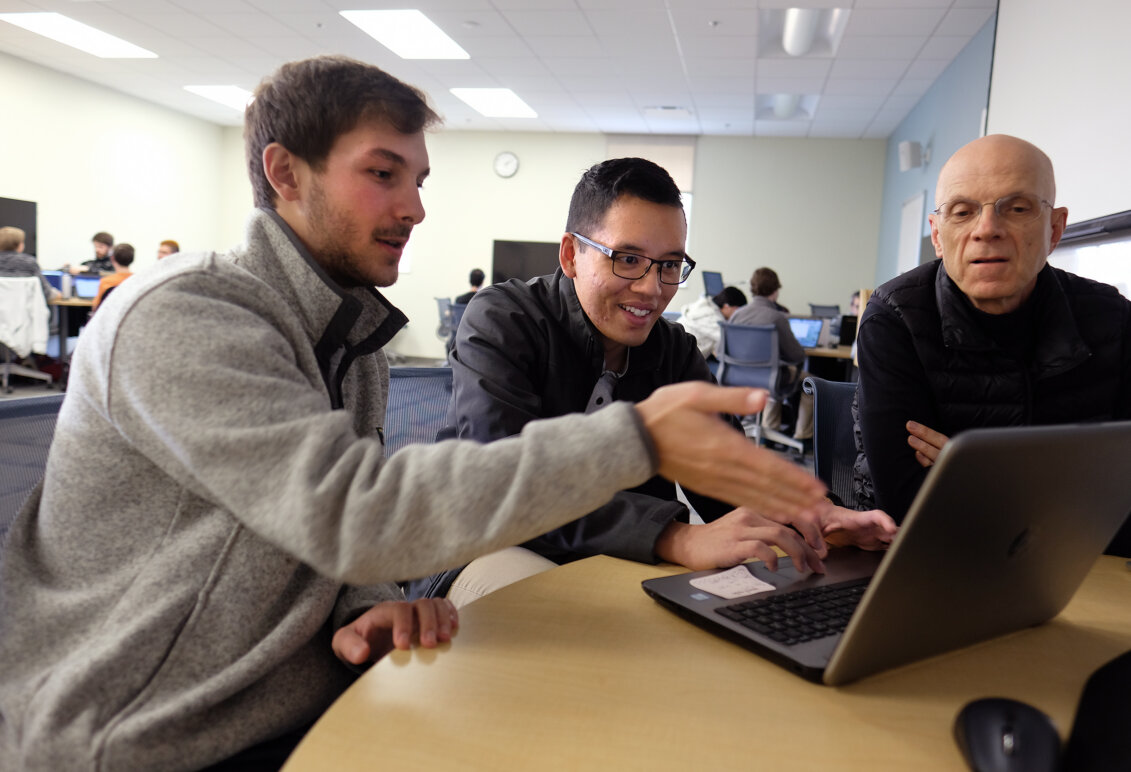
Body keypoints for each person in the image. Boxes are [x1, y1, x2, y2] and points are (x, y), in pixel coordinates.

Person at [0, 57, 832, 771]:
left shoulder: (351, 340)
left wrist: (366, 601)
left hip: (290, 699)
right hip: (138, 734)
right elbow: (355, 512)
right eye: (382, 173)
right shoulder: (189, 314)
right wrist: (638, 441)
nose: (415, 207)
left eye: (419, 180)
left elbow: (308, 523)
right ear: (286, 174)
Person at [432, 157, 894, 607]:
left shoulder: (672, 348)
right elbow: (504, 485)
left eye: (670, 265)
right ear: (572, 255)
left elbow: (722, 472)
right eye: (628, 259)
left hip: (616, 553)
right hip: (490, 544)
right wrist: (675, 536)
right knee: (569, 614)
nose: (652, 289)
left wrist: (814, 516)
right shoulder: (503, 320)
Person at [854, 134, 1131, 535]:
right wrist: (1068, 486)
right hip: (930, 560)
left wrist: (978, 477)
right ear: (936, 235)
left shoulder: (1112, 319)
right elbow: (907, 503)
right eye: (962, 212)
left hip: (1082, 565)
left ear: (1055, 229)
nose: (987, 229)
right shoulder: (894, 320)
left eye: (1016, 208)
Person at [728, 267, 814, 442]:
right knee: (810, 383)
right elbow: (796, 355)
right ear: (775, 291)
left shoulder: (737, 315)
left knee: (773, 372)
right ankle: (802, 437)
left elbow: (724, 349)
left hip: (737, 377)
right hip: (769, 378)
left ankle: (768, 434)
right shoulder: (777, 317)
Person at [675, 285, 746, 359]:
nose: (738, 314)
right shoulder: (712, 318)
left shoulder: (703, 307)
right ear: (726, 306)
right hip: (679, 359)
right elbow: (732, 343)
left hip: (676, 351)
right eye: (738, 310)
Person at [0, 225, 59, 303]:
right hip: (23, 313)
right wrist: (58, 294)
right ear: (20, 245)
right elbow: (46, 293)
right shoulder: (28, 262)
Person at [92, 242, 135, 311]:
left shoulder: (106, 282)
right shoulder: (137, 281)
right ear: (132, 259)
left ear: (112, 258)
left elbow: (96, 308)